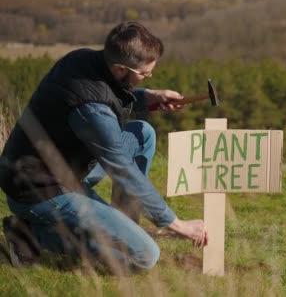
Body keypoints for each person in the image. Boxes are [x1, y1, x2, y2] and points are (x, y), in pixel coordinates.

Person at [0, 21, 208, 274]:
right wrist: (178, 225)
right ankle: (30, 234)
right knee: (145, 256)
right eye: (144, 74)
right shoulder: (92, 110)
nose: (148, 76)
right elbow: (124, 170)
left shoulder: (84, 59)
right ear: (121, 68)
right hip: (39, 189)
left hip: (62, 166)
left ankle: (123, 222)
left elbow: (108, 94)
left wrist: (148, 96)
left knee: (142, 134)